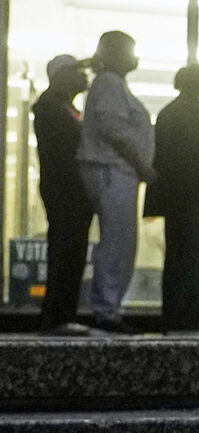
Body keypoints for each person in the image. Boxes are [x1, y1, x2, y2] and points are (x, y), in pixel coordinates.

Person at [77, 30, 154, 335]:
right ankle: (107, 310)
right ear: (115, 53)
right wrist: (142, 164)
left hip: (118, 171)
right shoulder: (108, 83)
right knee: (117, 242)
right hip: (112, 169)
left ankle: (109, 306)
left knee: (120, 241)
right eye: (131, 51)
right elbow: (115, 131)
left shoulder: (113, 84)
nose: (136, 58)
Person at [143, 64, 199, 335]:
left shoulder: (168, 114)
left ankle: (174, 319)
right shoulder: (197, 115)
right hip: (195, 199)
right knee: (193, 261)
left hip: (174, 200)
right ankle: (189, 322)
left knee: (176, 261)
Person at [33, 54, 93, 336]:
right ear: (60, 75)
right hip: (63, 189)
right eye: (77, 71)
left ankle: (61, 314)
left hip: (71, 189)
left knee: (72, 252)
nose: (84, 76)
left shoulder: (65, 106)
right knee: (65, 250)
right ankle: (56, 316)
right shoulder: (49, 106)